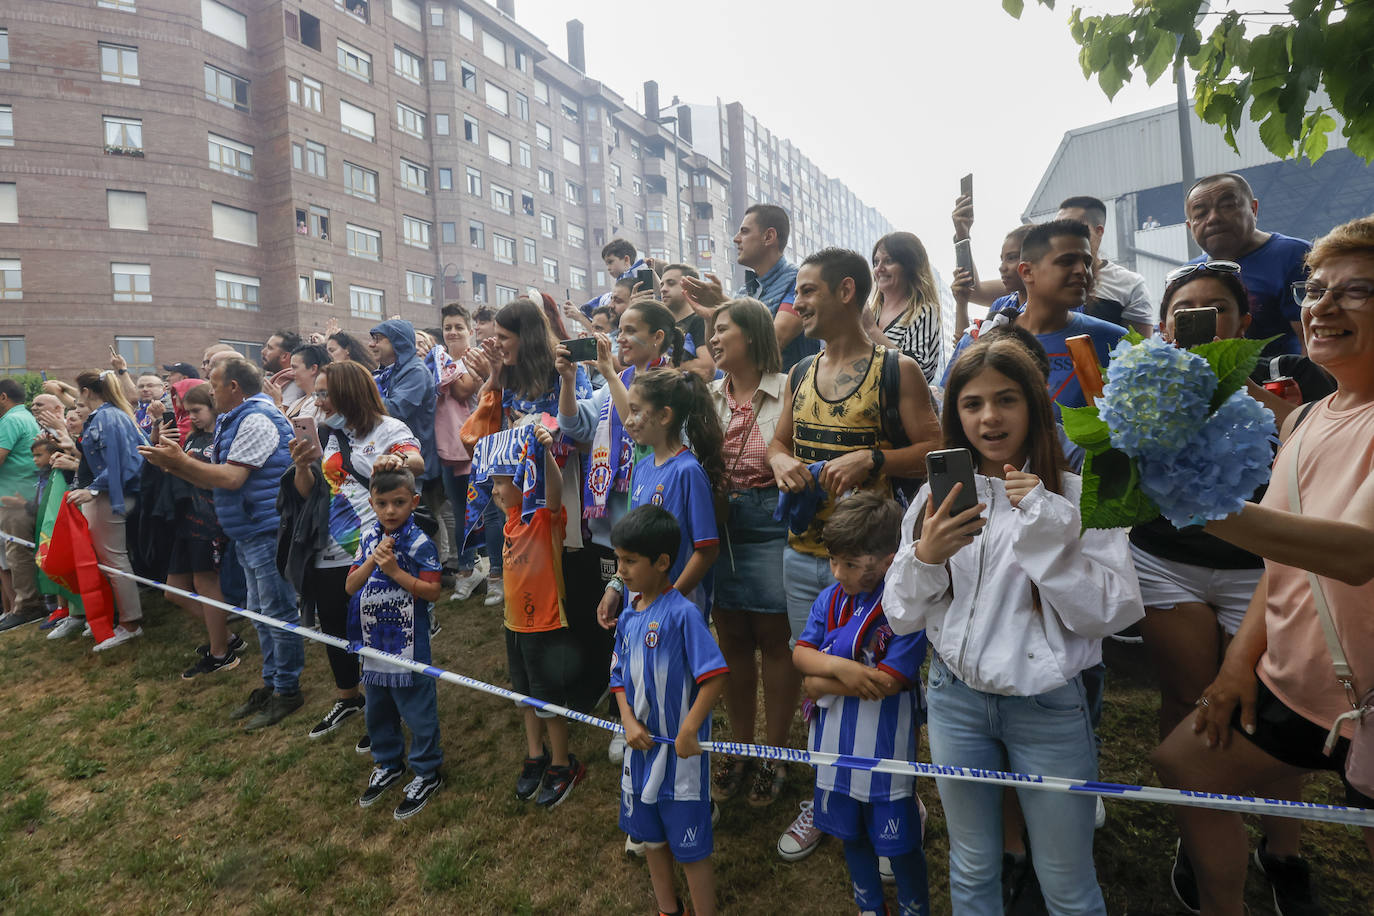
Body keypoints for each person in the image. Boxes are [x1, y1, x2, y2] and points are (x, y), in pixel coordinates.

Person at [1153, 215, 1374, 914]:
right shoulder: (1305, 419)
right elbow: (1286, 568)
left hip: (1370, 704)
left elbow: (1357, 553)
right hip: (1300, 689)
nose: (1324, 306)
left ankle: (1285, 861)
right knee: (1182, 762)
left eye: (1358, 291)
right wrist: (1234, 670)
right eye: (1315, 289)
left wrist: (1198, 502)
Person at [886, 337, 1145, 915]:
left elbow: (1112, 612)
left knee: (1067, 879)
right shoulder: (937, 502)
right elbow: (902, 616)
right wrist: (926, 557)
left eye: (1006, 399)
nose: (989, 417)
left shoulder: (1077, 499)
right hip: (955, 701)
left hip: (1048, 707)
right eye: (972, 404)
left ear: (1033, 405)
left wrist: (1047, 533)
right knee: (973, 865)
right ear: (955, 413)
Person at [1134, 261, 1320, 912]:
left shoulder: (1291, 386)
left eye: (1218, 310)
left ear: (1244, 321)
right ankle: (1203, 828)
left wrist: (1247, 394)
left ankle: (1283, 851)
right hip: (1166, 560)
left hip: (1261, 571)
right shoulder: (1144, 388)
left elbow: (1307, 470)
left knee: (1268, 714)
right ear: (1164, 328)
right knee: (1188, 697)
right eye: (1188, 310)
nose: (1204, 321)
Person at [767, 247, 942, 862]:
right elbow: (778, 443)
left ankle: (898, 794)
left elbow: (936, 450)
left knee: (884, 680)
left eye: (807, 292)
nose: (798, 305)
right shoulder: (798, 374)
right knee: (819, 678)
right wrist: (782, 461)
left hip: (874, 567)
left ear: (846, 292)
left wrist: (872, 459)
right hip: (804, 556)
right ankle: (827, 791)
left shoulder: (898, 371)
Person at [140, 358, 305, 730]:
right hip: (248, 530)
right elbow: (216, 478)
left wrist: (179, 461)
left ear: (234, 387)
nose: (209, 392)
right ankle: (272, 682)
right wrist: (174, 465)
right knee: (261, 615)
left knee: (277, 614)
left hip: (265, 530)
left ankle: (288, 689)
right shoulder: (236, 419)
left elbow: (230, 479)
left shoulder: (257, 419)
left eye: (213, 384)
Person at [794, 491, 930, 916]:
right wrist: (846, 671)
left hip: (886, 746)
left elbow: (889, 682)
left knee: (900, 843)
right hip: (835, 746)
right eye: (834, 561)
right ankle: (870, 905)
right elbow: (801, 654)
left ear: (888, 559)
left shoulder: (903, 608)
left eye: (850, 564)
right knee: (850, 836)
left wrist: (823, 682)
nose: (838, 573)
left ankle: (912, 907)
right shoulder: (829, 600)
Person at [290, 360, 424, 743]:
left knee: (376, 633)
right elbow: (307, 492)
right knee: (334, 625)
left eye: (323, 392)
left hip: (371, 547)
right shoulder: (326, 433)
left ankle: (388, 712)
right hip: (327, 547)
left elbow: (416, 460)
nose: (317, 400)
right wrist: (302, 467)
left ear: (348, 392)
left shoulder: (388, 429)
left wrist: (395, 460)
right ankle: (349, 697)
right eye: (315, 392)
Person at [610, 504, 729, 916]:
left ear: (662, 562)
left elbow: (714, 676)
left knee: (690, 847)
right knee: (651, 839)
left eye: (630, 561)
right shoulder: (627, 617)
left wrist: (690, 729)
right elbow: (618, 678)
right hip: (639, 752)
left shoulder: (683, 615)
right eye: (619, 560)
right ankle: (667, 908)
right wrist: (627, 720)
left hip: (681, 760)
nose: (621, 570)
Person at [704, 298, 795, 806]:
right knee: (732, 639)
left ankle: (778, 755)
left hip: (771, 527)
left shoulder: (789, 391)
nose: (714, 339)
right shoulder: (709, 397)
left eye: (723, 330)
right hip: (722, 530)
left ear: (753, 336)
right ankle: (740, 749)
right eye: (712, 331)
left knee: (775, 641)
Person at [472, 422, 587, 807]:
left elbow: (554, 498)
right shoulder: (509, 523)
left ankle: (561, 762)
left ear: (525, 482)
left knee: (547, 698)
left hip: (545, 626)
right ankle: (535, 755)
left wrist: (547, 456)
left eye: (505, 481)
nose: (497, 489)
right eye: (496, 482)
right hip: (514, 626)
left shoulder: (542, 521)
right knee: (524, 697)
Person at [473, 299, 592, 610]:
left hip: (562, 479)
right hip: (522, 481)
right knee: (532, 554)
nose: (496, 343)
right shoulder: (512, 372)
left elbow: (580, 430)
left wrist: (536, 431)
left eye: (503, 337)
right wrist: (496, 374)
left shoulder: (564, 367)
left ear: (525, 337)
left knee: (563, 552)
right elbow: (497, 422)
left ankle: (563, 613)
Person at [346, 467, 445, 820]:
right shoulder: (367, 537)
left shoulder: (420, 543)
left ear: (414, 501)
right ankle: (388, 762)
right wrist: (374, 558)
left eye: (399, 503)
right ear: (372, 503)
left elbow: (433, 590)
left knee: (416, 704)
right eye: (382, 503)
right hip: (373, 635)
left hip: (408, 635)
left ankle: (426, 769)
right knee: (378, 704)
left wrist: (395, 573)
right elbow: (350, 585)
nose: (390, 511)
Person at [946, 220, 1126, 413]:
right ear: (1028, 272)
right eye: (1066, 261)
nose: (1082, 271)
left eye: (1087, 262)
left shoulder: (1116, 343)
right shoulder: (979, 340)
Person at [594, 367, 722, 622]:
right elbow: (633, 541)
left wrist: (669, 598)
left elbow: (707, 549)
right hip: (642, 608)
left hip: (678, 611)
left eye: (636, 410)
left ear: (664, 416)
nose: (628, 420)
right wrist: (616, 587)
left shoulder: (688, 472)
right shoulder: (641, 468)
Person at [158, 382, 241, 677]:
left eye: (197, 410)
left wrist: (187, 465)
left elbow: (220, 478)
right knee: (174, 590)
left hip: (208, 521)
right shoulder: (192, 436)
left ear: (213, 407)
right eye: (188, 411)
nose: (191, 416)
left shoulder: (222, 437)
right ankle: (226, 636)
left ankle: (221, 653)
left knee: (206, 584)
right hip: (185, 518)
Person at [1184, 172, 1311, 357]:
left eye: (1227, 206)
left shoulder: (1295, 255)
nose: (1213, 218)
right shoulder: (1189, 275)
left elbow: (1313, 340)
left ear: (1253, 209)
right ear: (1190, 227)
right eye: (1200, 213)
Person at [66, 369, 146, 650]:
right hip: (112, 495)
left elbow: (119, 463)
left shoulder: (106, 418)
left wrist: (93, 489)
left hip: (110, 497)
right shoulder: (116, 414)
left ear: (86, 392)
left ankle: (130, 624)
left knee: (113, 562)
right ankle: (123, 620)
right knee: (113, 561)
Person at [684, 204, 810, 370]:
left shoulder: (797, 281)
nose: (736, 239)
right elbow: (719, 357)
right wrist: (710, 317)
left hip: (787, 392)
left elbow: (775, 340)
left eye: (744, 231)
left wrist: (723, 302)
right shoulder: (745, 291)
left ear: (769, 236)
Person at [435, 303, 491, 601]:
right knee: (459, 512)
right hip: (447, 446)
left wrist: (449, 367)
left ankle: (485, 568)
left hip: (475, 445)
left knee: (482, 512)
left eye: (458, 327)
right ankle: (468, 570)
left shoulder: (476, 358)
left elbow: (461, 390)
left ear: (470, 330)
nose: (453, 332)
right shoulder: (440, 359)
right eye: (447, 328)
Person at [1056, 195, 1155, 336]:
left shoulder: (1129, 284)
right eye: (1057, 229)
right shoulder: (1045, 280)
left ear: (1099, 231)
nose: (1061, 236)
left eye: (1073, 228)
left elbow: (1140, 350)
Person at [866, 231, 944, 383]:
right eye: (876, 262)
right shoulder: (870, 312)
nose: (879, 268)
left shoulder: (924, 312)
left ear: (909, 267)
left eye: (888, 261)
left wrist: (872, 331)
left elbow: (920, 372)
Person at [368, 319, 438, 487]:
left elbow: (394, 410)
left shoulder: (416, 371)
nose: (371, 345)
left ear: (396, 341)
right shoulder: (383, 373)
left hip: (415, 467)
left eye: (377, 339)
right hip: (392, 462)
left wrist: (361, 396)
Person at [0, 378, 45, 631]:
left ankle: (28, 606)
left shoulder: (10, 420)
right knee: (14, 554)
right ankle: (21, 606)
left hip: (16, 499)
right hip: (19, 495)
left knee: (18, 554)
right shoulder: (23, 416)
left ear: (3, 397)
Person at [658, 263, 715, 379]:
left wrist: (668, 367)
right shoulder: (660, 325)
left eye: (671, 283)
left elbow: (707, 368)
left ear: (690, 287)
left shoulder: (700, 321)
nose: (663, 289)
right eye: (662, 284)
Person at [282, 343, 329, 420]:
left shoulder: (321, 400)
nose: (291, 373)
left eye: (295, 367)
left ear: (313, 369)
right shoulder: (296, 403)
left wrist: (278, 405)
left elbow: (303, 431)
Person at [262, 330, 304, 402]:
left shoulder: (294, 385)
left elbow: (280, 411)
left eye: (270, 348)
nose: (263, 352)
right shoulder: (271, 379)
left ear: (284, 356)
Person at [132, 373, 169, 439]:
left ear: (164, 389)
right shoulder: (136, 410)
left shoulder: (171, 407)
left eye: (150, 386)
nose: (145, 389)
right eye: (141, 386)